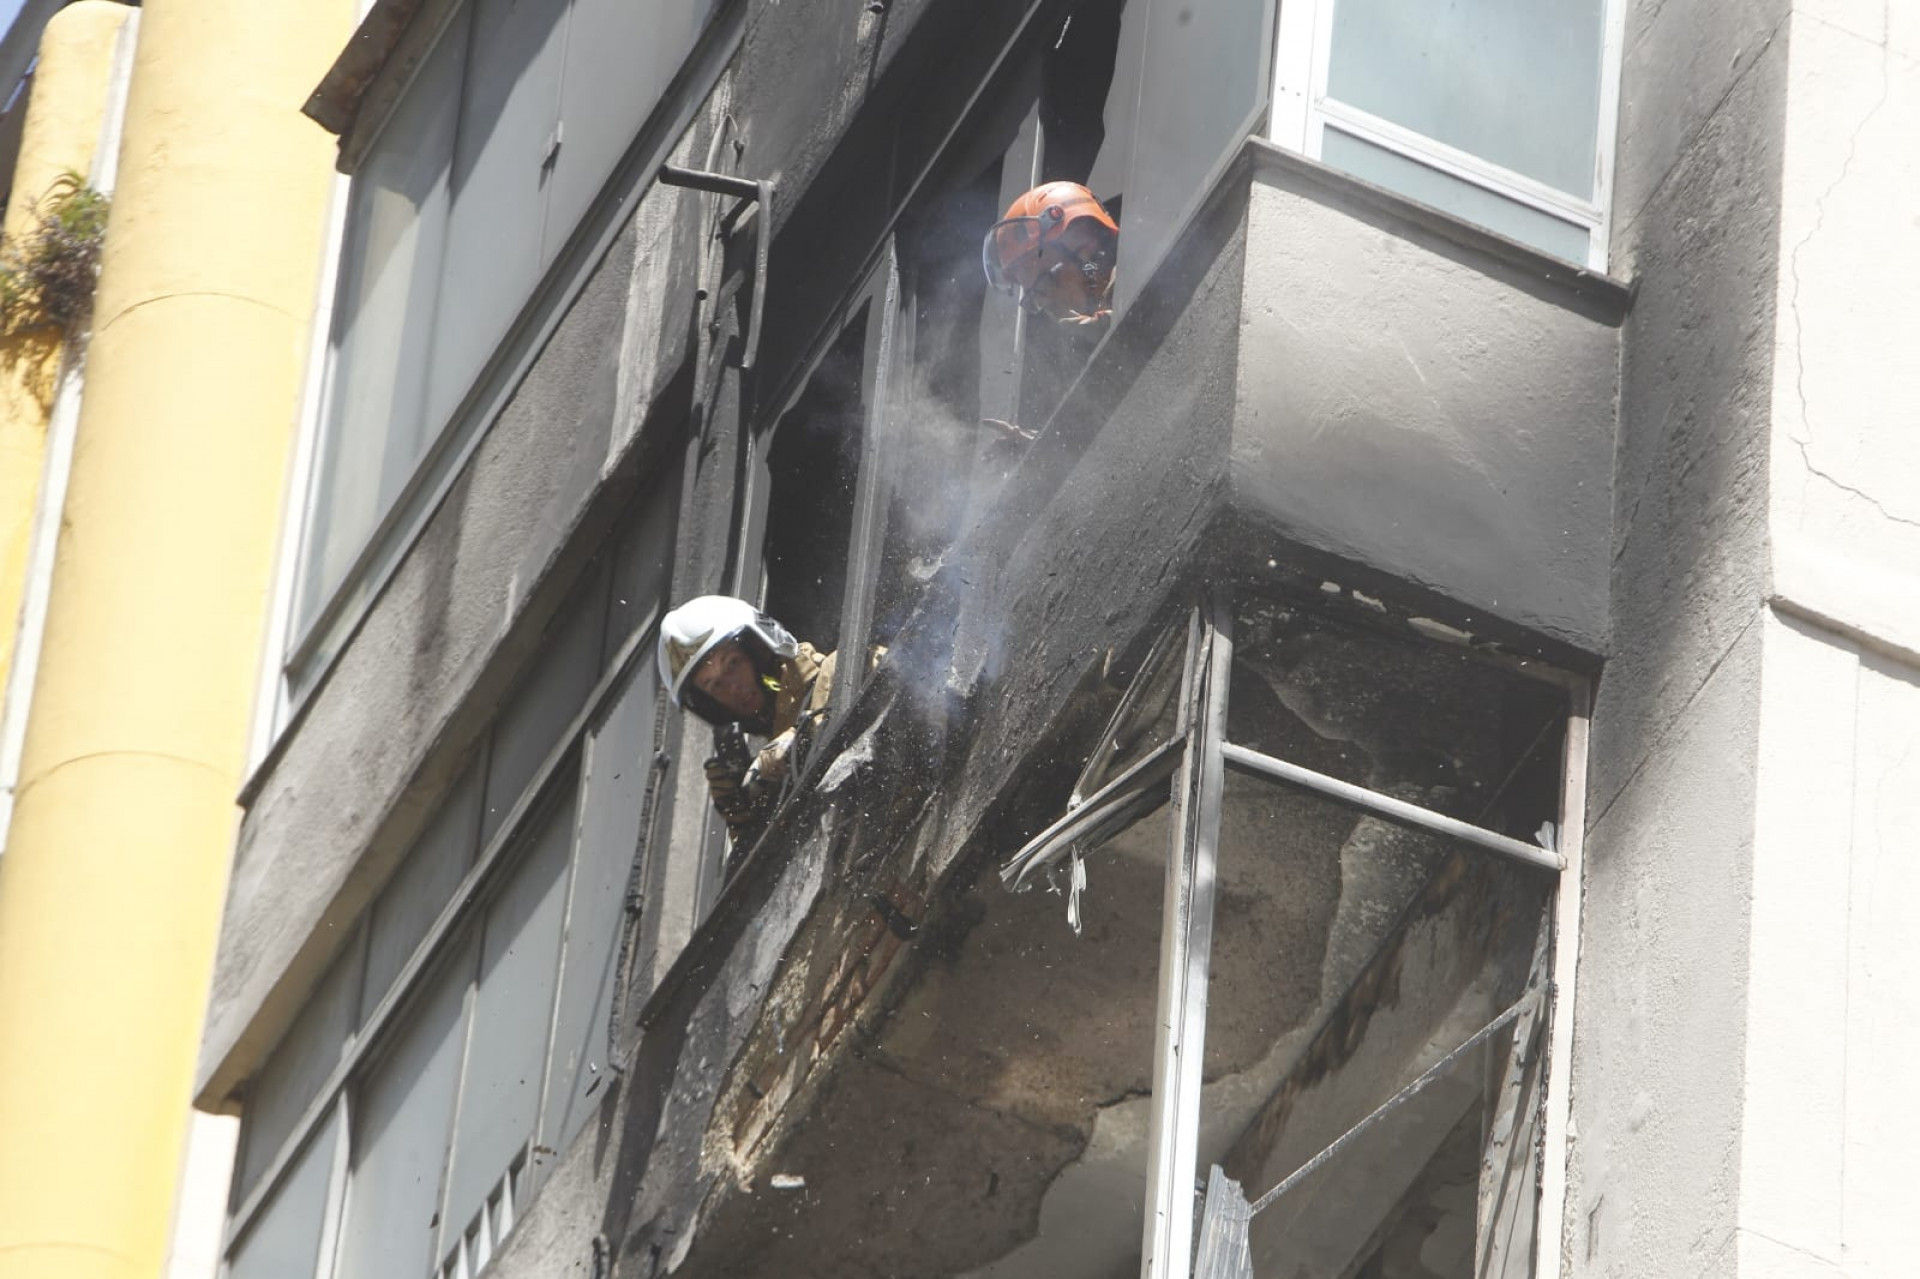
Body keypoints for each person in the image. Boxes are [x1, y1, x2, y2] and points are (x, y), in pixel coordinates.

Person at [657, 595, 837, 846]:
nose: (733, 687)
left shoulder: (838, 672)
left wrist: (800, 740)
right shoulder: (770, 767)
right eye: (715, 685)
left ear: (759, 649)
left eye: (733, 664)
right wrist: (745, 816)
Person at [981, 180, 1119, 325]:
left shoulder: (1141, 275)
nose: (1051, 308)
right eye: (1036, 300)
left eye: (1045, 286)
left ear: (1085, 244)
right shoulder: (1085, 338)